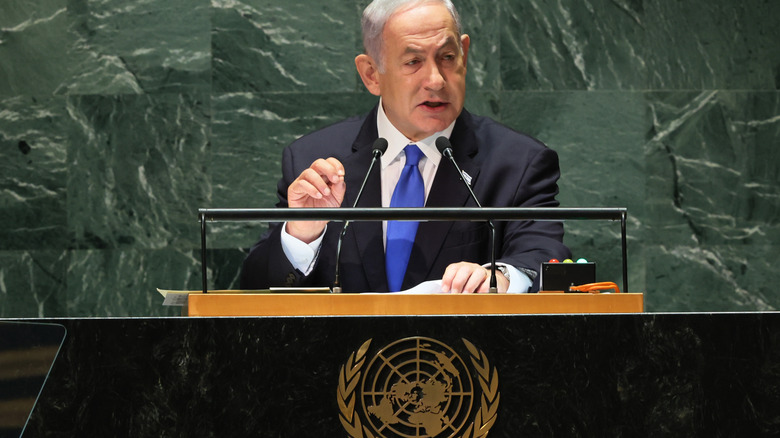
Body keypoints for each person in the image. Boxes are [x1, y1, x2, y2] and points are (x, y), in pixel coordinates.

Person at [240, 0, 570, 293]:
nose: (437, 80)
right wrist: (301, 235)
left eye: (447, 57)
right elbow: (254, 289)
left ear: (464, 56)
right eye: (413, 62)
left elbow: (543, 255)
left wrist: (500, 278)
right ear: (371, 75)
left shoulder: (518, 162)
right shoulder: (313, 159)